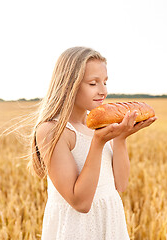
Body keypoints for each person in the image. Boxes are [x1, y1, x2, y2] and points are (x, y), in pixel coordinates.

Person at [30, 46, 156, 239]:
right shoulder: (53, 131)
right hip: (76, 229)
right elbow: (80, 203)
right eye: (93, 83)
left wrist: (121, 138)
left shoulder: (102, 124)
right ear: (68, 84)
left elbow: (120, 185)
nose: (103, 91)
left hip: (110, 220)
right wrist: (98, 143)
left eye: (105, 82)